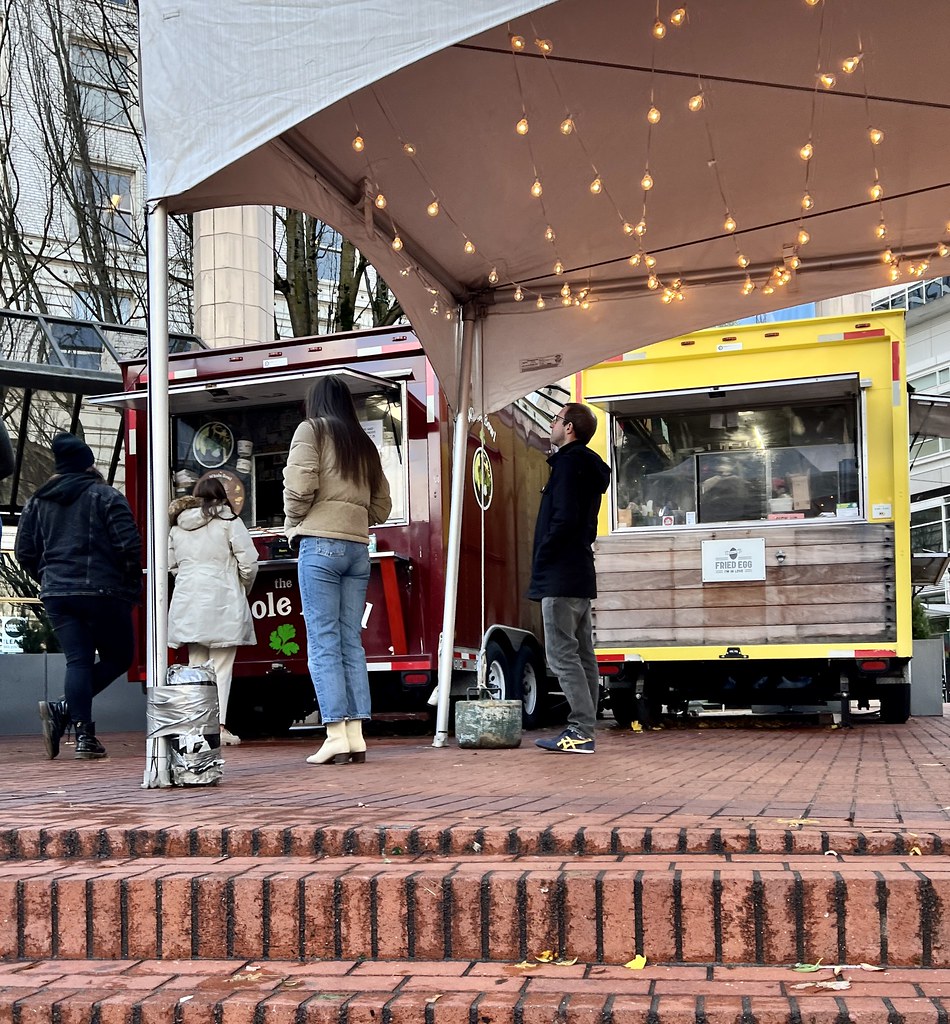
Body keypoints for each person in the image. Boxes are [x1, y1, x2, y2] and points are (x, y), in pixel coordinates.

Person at [283, 377, 392, 765]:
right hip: (357, 549)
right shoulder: (362, 442)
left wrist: (295, 520)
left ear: (315, 402)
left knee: (323, 639)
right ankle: (355, 735)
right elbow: (382, 506)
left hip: (320, 543)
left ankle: (333, 733)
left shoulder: (310, 429)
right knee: (350, 641)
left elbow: (299, 484)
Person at [16, 432, 142, 760]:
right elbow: (129, 547)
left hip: (58, 593)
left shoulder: (37, 501)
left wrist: (48, 578)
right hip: (104, 592)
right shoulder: (107, 496)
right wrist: (129, 585)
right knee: (118, 658)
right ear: (89, 465)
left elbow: (24, 552)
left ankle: (84, 734)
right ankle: (64, 713)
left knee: (78, 661)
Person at [529, 403, 610, 754]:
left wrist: (543, 557)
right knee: (583, 655)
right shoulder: (588, 468)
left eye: (556, 419)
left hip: (560, 572)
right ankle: (585, 729)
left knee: (562, 654)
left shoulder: (565, 465)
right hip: (580, 569)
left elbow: (562, 519)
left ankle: (579, 729)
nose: (552, 424)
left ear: (570, 429)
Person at [167, 477, 259, 745]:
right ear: (222, 497)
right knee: (221, 668)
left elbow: (172, 566)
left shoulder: (177, 527)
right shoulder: (230, 522)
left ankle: (196, 727)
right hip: (223, 600)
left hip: (188, 601)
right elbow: (250, 563)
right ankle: (217, 727)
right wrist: (240, 586)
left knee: (196, 665)